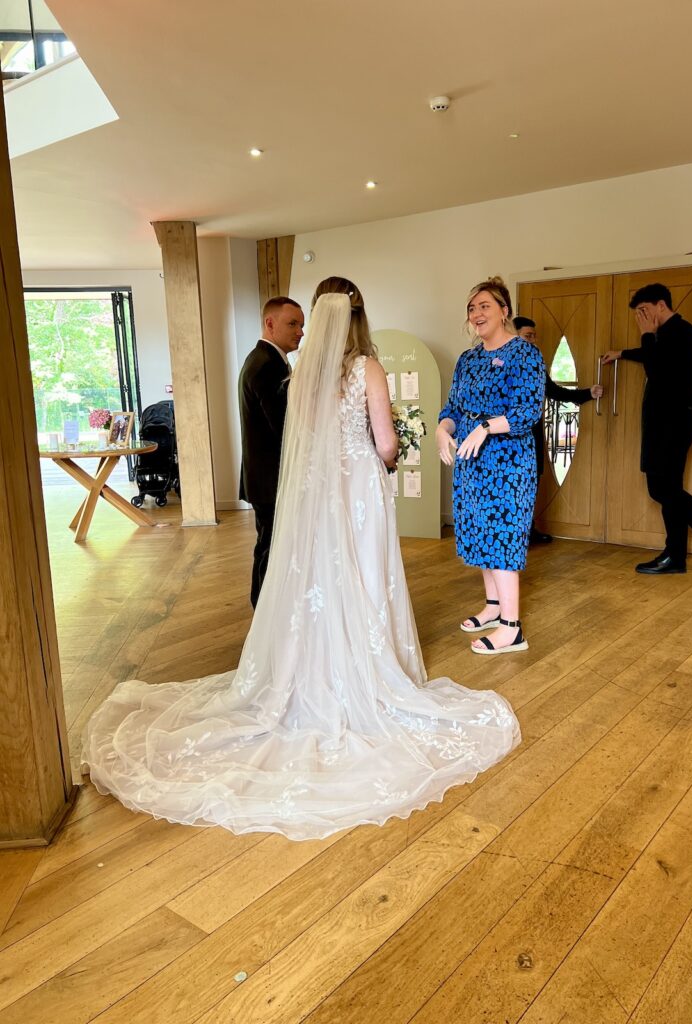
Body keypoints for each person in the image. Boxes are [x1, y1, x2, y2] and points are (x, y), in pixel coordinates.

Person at [81, 277, 520, 841]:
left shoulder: (302, 370)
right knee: (361, 573)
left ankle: (304, 664)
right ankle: (364, 665)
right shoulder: (368, 369)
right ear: (361, 314)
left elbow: (302, 440)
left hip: (317, 492)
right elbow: (385, 443)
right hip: (359, 487)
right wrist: (389, 451)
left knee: (316, 575)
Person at [436, 277, 545, 655]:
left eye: (484, 305)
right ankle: (493, 608)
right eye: (471, 308)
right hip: (470, 462)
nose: (476, 313)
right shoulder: (468, 359)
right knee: (480, 536)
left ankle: (512, 630)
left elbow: (528, 411)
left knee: (501, 538)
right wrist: (441, 429)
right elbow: (452, 408)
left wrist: (485, 427)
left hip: (508, 464)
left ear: (504, 311)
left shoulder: (525, 354)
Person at [602, 283, 692, 574]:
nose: (640, 317)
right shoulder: (666, 335)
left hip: (675, 422)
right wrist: (623, 353)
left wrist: (645, 336)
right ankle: (676, 556)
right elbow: (655, 357)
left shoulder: (682, 332)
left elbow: (658, 371)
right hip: (667, 422)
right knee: (667, 489)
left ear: (661, 305)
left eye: (644, 310)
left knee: (662, 488)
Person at [513, 316, 603, 544]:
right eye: (528, 336)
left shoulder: (535, 365)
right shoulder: (503, 364)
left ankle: (528, 530)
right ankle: (515, 536)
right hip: (510, 436)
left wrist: (587, 394)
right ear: (514, 336)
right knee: (515, 484)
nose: (534, 340)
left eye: (534, 336)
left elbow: (554, 391)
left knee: (532, 480)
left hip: (532, 433)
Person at [238, 297, 304, 608]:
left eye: (302, 325)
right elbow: (284, 427)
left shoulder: (267, 360)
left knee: (270, 544)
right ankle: (263, 610)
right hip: (271, 478)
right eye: (293, 323)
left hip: (266, 476)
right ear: (270, 323)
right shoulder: (266, 365)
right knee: (270, 546)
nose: (300, 332)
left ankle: (266, 609)